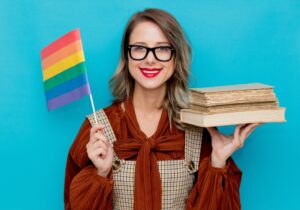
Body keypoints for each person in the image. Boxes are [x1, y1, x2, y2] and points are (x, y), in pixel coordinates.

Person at [64, 8, 260, 210]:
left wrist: (217, 162)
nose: (150, 59)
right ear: (127, 55)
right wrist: (100, 175)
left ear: (176, 57)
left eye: (163, 49)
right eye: (140, 48)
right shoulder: (97, 128)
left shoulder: (196, 127)